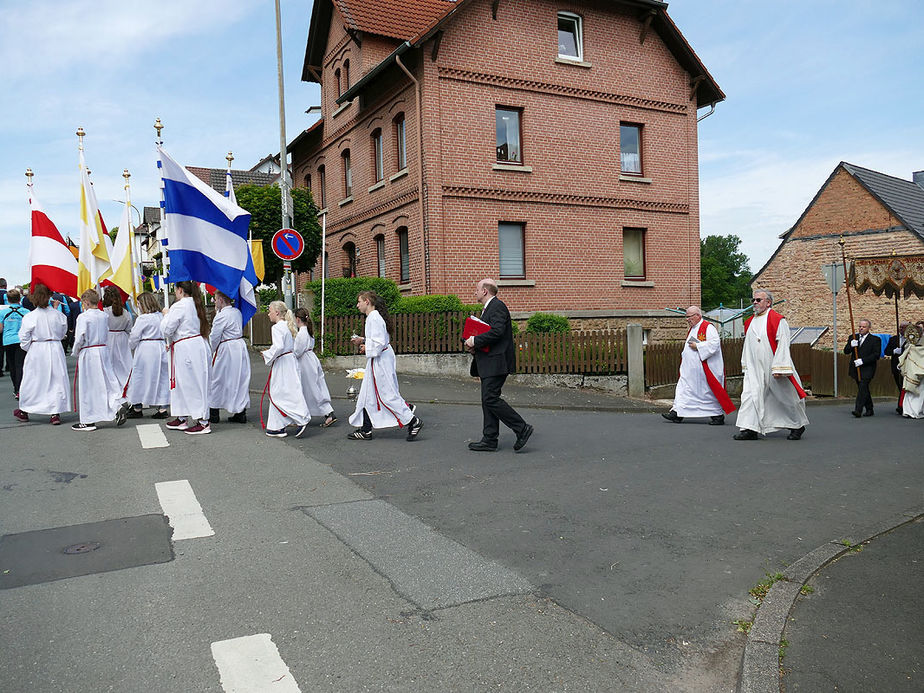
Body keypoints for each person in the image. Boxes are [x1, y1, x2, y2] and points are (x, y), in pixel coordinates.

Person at [463, 278, 531, 451]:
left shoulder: (497, 306)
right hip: (489, 361)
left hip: (497, 362)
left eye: (477, 289)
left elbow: (497, 332)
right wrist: (474, 346)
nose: (475, 292)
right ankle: (490, 439)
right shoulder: (489, 308)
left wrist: (475, 340)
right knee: (487, 400)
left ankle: (522, 428)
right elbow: (490, 332)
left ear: (485, 291)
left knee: (490, 398)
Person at [734, 289, 808, 440]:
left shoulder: (777, 320)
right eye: (753, 300)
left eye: (758, 300)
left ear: (768, 303)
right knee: (750, 396)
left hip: (773, 366)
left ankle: (797, 425)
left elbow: (783, 343)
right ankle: (750, 429)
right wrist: (746, 364)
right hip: (754, 368)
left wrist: (780, 367)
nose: (754, 302)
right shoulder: (749, 322)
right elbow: (747, 346)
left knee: (784, 397)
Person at [348, 291, 422, 441]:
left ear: (367, 301)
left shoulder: (373, 318)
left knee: (386, 395)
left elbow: (378, 343)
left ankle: (413, 421)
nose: (357, 305)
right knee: (368, 395)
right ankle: (366, 429)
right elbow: (377, 339)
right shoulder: (374, 317)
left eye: (359, 301)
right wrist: (363, 340)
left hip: (380, 361)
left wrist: (365, 347)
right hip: (380, 359)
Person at [662, 306, 735, 425]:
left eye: (689, 317)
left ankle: (717, 416)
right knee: (683, 390)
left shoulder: (708, 327)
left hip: (703, 372)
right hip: (690, 371)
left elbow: (715, 344)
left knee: (706, 394)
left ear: (698, 316)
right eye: (686, 317)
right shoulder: (693, 328)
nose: (687, 320)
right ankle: (677, 413)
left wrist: (698, 347)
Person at [13, 284, 70, 425]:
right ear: (50, 296)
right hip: (55, 347)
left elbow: (24, 337)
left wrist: (29, 348)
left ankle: (25, 409)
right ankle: (54, 412)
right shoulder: (59, 315)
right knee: (56, 379)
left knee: (33, 379)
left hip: (37, 348)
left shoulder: (30, 316)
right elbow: (63, 333)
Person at [71, 289, 128, 431]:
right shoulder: (103, 316)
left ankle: (88, 419)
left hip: (89, 351)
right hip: (103, 350)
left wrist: (75, 351)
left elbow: (80, 338)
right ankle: (116, 404)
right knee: (108, 381)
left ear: (86, 302)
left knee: (89, 386)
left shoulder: (83, 317)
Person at [161, 281, 212, 435]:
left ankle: (203, 421)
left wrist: (166, 315)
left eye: (176, 290)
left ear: (180, 290)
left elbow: (166, 329)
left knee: (192, 384)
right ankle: (182, 417)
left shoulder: (180, 305)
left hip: (187, 349)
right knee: (183, 383)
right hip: (194, 345)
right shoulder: (196, 304)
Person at [261, 301, 310, 438]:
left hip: (283, 363)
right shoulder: (287, 326)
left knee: (279, 393)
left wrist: (266, 354)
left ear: (277, 312)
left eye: (270, 310)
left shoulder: (277, 327)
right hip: (288, 361)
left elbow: (279, 347)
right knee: (286, 391)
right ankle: (276, 426)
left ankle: (301, 418)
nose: (268, 313)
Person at [124, 292, 170, 419]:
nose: (137, 306)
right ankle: (162, 407)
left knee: (139, 378)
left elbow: (134, 336)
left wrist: (131, 346)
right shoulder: (161, 316)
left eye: (138, 303)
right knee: (161, 378)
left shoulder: (143, 318)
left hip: (146, 349)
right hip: (160, 347)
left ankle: (137, 407)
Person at [208, 291, 250, 424]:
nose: (214, 301)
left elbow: (215, 337)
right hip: (239, 347)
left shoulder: (221, 316)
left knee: (217, 378)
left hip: (227, 349)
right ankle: (240, 411)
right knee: (239, 379)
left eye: (215, 299)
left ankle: (214, 412)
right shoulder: (236, 312)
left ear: (221, 300)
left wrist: (210, 351)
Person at [294, 307, 337, 428]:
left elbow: (297, 351)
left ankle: (327, 413)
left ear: (297, 319)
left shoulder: (301, 333)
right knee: (317, 386)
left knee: (311, 388)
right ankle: (326, 412)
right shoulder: (308, 331)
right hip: (311, 359)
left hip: (305, 362)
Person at [842, 318, 880, 417]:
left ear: (869, 328)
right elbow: (846, 351)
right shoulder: (853, 337)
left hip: (867, 368)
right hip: (856, 368)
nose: (861, 328)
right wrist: (851, 345)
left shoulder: (875, 339)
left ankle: (858, 410)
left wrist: (863, 361)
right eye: (860, 326)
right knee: (863, 389)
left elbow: (876, 355)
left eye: (864, 327)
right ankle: (870, 408)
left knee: (863, 387)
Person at [103, 285, 133, 394]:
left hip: (109, 338)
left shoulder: (104, 312)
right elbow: (129, 328)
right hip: (122, 339)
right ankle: (127, 388)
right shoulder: (126, 313)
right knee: (124, 365)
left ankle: (115, 391)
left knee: (111, 366)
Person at [0, 288, 30, 399]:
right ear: (20, 299)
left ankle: (16, 388)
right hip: (22, 340)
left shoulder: (3, 312)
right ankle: (21, 388)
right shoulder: (26, 312)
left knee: (12, 366)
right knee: (21, 365)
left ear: (7, 299)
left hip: (8, 341)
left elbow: (0, 329)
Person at [897, 324, 924, 419]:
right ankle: (913, 411)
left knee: (913, 391)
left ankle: (909, 411)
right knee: (914, 391)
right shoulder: (909, 346)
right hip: (914, 370)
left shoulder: (910, 346)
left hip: (916, 370)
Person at [885, 321, 910, 415]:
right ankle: (902, 404)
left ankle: (901, 406)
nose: (901, 329)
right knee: (900, 386)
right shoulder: (893, 339)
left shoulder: (911, 339)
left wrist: (903, 351)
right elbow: (886, 351)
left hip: (907, 366)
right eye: (900, 327)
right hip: (896, 366)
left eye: (904, 327)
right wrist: (894, 351)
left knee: (905, 386)